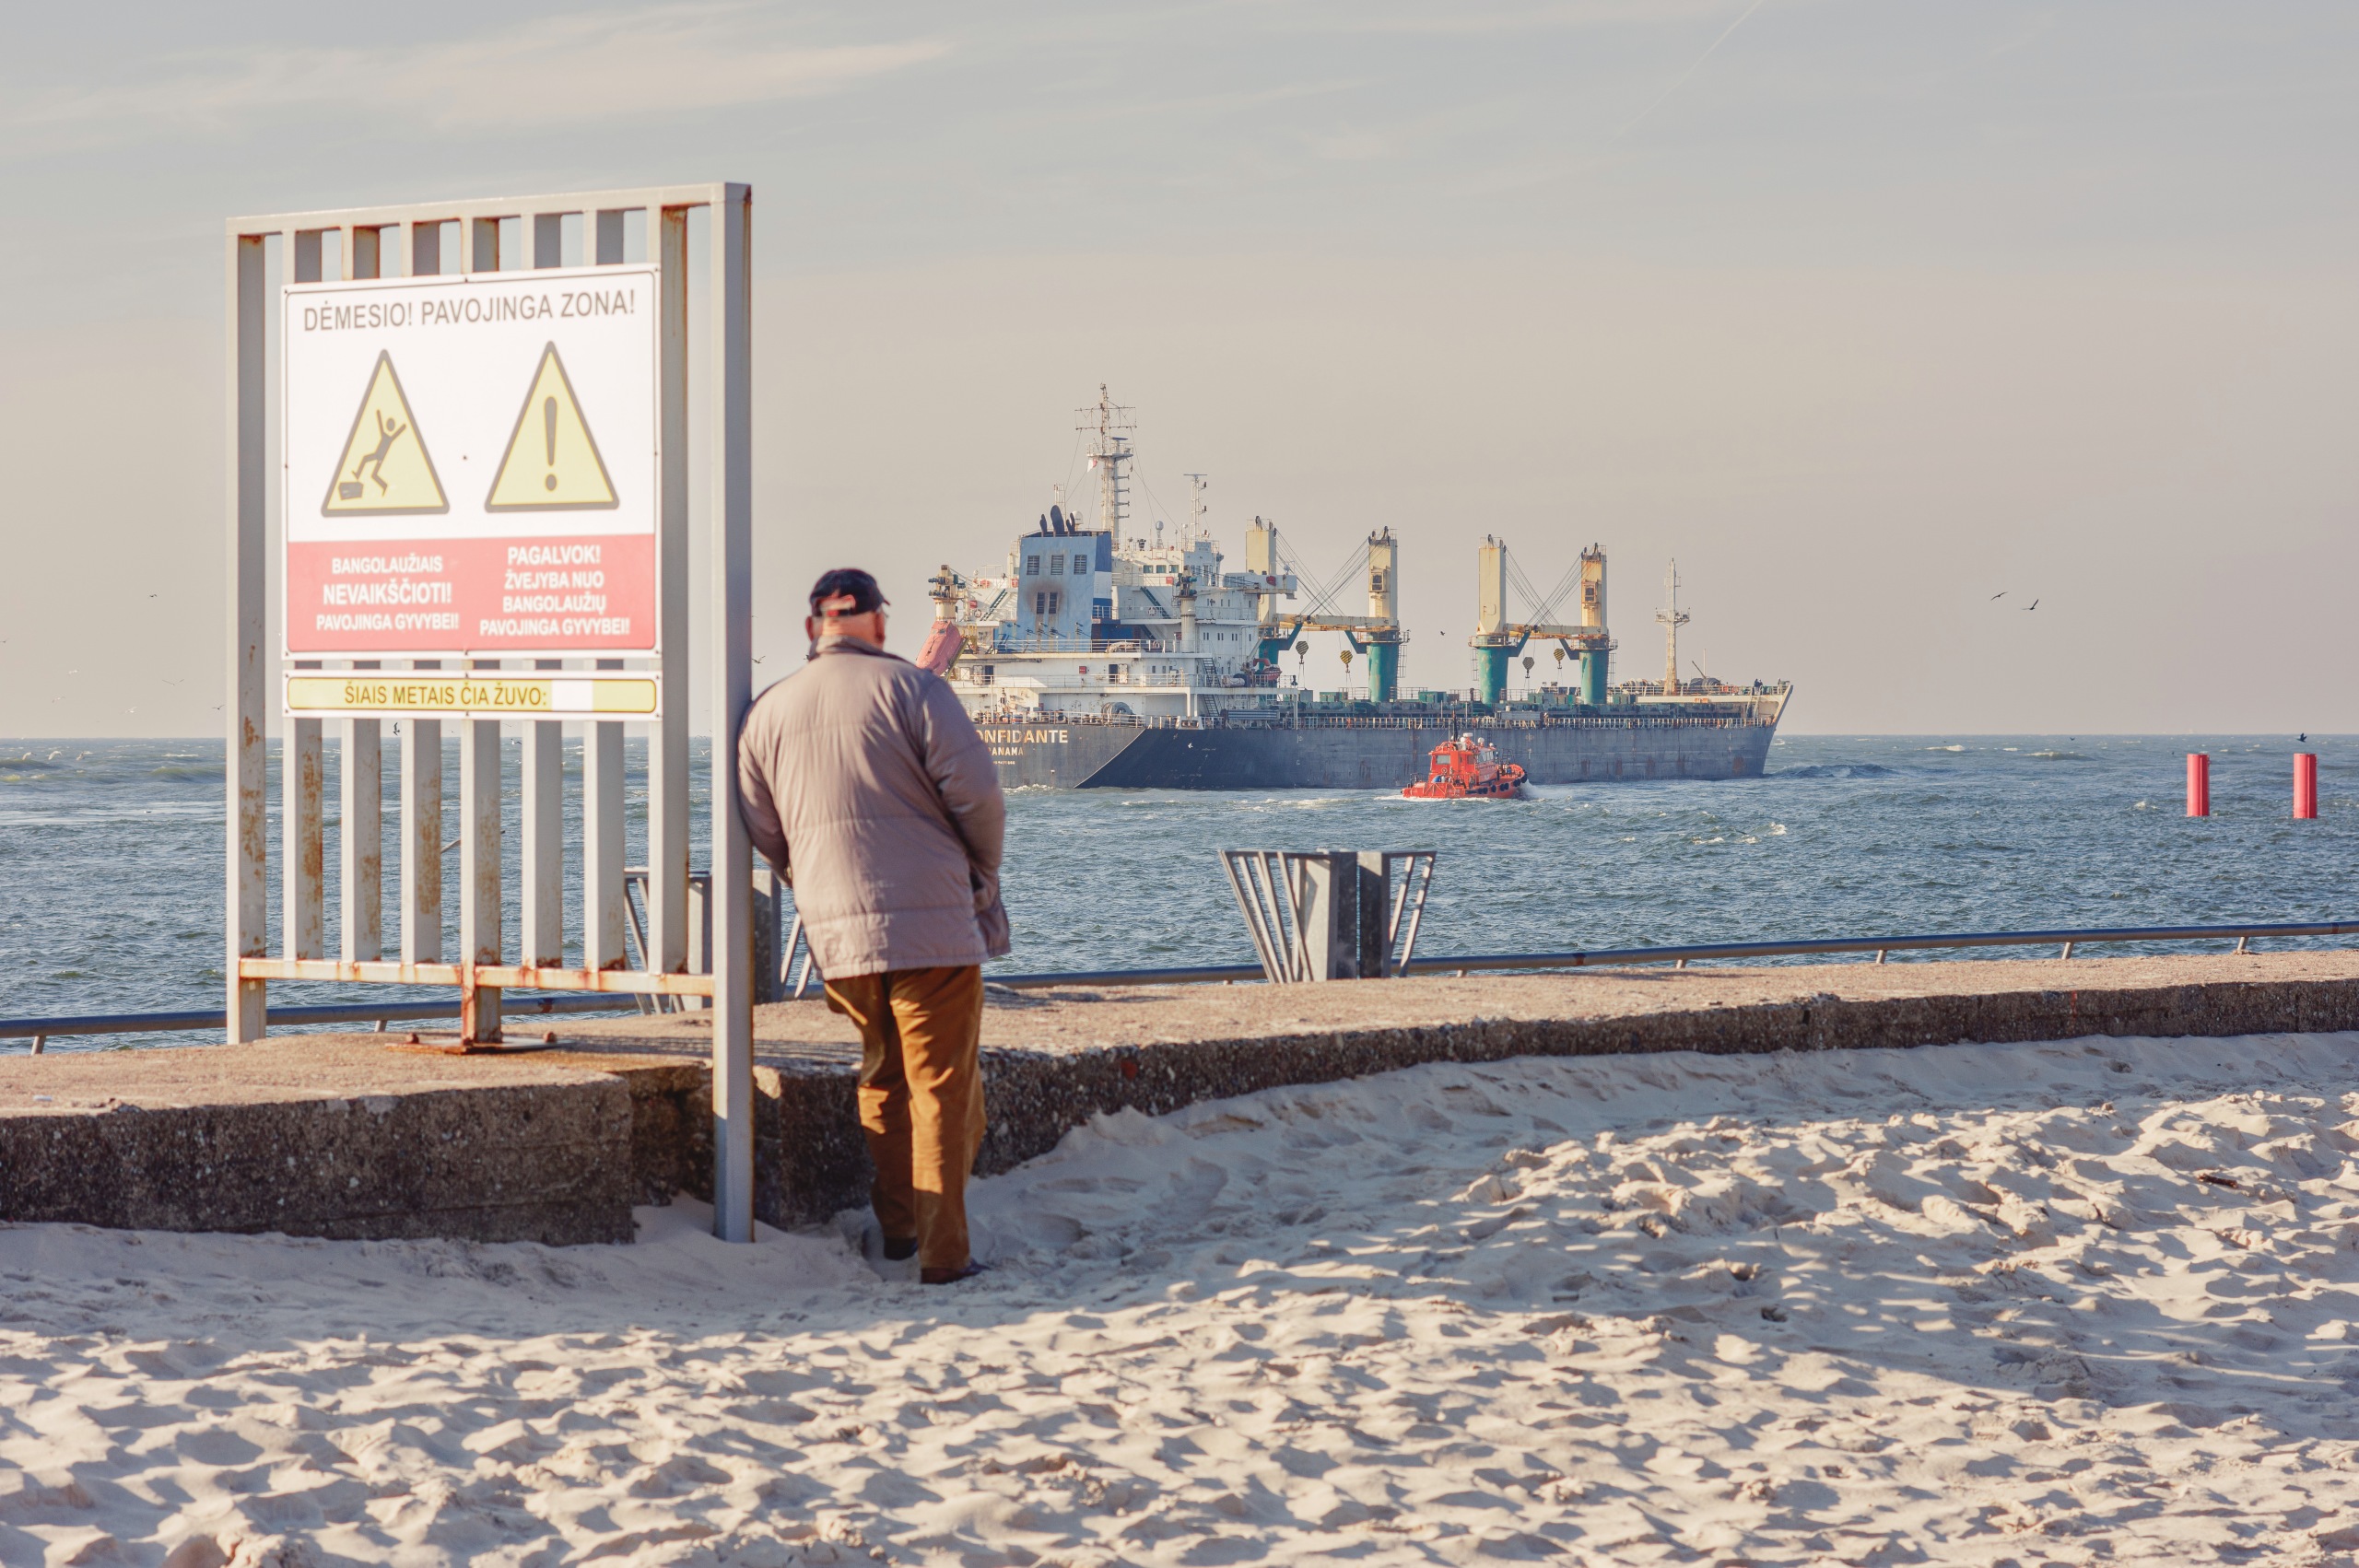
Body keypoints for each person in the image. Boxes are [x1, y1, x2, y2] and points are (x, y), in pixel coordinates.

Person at [736, 568, 1010, 1284]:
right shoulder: (918, 691)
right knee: (942, 1086)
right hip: (934, 929)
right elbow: (978, 795)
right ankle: (943, 1255)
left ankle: (896, 1232)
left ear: (812, 628)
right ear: (880, 624)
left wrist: (816, 885)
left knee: (881, 1074)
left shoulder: (766, 712)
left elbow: (765, 829)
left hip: (839, 935)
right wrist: (981, 871)